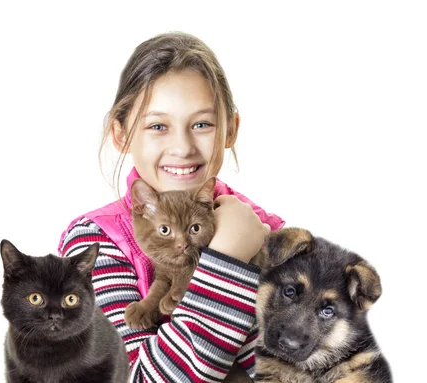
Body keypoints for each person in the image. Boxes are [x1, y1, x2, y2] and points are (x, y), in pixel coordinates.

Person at [58, 31, 285, 382]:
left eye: (202, 124)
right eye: (158, 125)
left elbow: (306, 370)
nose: (182, 147)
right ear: (121, 133)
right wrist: (225, 263)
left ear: (231, 130)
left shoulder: (267, 231)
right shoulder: (95, 243)